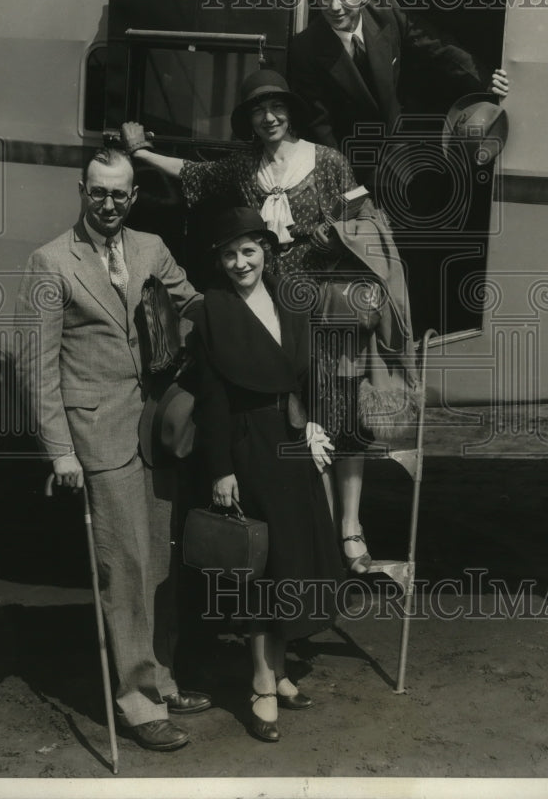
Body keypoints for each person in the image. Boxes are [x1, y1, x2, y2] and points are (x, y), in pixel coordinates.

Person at [121, 70, 391, 576]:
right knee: (292, 420)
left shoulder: (328, 161)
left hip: (324, 305)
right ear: (248, 120)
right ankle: (315, 537)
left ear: (291, 112)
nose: (268, 118)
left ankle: (350, 529)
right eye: (257, 111)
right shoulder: (244, 167)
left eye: (276, 108)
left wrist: (344, 248)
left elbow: (366, 218)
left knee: (339, 415)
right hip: (270, 308)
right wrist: (141, 156)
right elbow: (193, 174)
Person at [14, 146, 211, 753]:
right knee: (124, 568)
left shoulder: (151, 247)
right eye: (98, 192)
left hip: (155, 428)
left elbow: (193, 304)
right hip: (97, 436)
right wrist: (60, 452)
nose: (109, 203)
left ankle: (165, 676)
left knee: (158, 561)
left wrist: (235, 316)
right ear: (81, 189)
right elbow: (35, 368)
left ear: (133, 196)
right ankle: (138, 703)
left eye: (120, 194)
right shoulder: (50, 262)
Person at [192, 207, 343, 743]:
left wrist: (314, 424)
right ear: (219, 259)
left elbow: (307, 371)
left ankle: (278, 672)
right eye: (229, 254)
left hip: (291, 438)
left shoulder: (289, 299)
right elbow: (211, 401)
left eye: (249, 251)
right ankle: (259, 682)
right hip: (248, 444)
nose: (240, 263)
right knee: (259, 569)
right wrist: (221, 470)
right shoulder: (212, 311)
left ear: (266, 251)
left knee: (290, 561)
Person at [287, 0, 509, 186]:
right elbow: (319, 126)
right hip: (350, 160)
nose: (334, 6)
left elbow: (437, 46)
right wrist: (342, 180)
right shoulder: (305, 48)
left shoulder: (387, 13)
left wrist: (485, 79)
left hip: (400, 147)